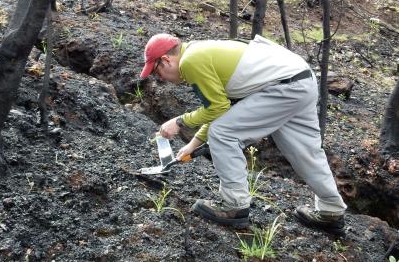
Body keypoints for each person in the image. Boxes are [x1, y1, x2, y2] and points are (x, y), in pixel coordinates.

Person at [140, 33, 347, 234]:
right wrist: (193, 144)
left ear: (166, 60)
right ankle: (331, 210)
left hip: (284, 86)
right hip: (301, 80)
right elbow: (225, 108)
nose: (161, 78)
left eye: (157, 72)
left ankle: (234, 206)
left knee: (224, 134)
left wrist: (179, 122)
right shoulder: (201, 51)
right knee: (305, 151)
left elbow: (218, 109)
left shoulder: (190, 62)